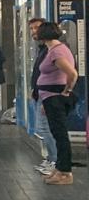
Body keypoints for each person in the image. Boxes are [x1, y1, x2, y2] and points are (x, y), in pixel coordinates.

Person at [35, 21, 79, 185]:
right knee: (57, 133)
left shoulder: (57, 51)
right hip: (50, 97)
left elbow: (72, 74)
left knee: (60, 135)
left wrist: (66, 92)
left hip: (55, 98)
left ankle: (65, 172)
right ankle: (60, 168)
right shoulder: (53, 50)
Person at [29, 18, 59, 175]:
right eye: (32, 29)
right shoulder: (43, 49)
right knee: (42, 129)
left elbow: (69, 73)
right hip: (40, 93)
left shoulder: (55, 50)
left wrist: (61, 93)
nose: (34, 32)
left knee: (46, 128)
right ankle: (50, 158)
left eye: (37, 28)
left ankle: (54, 161)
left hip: (48, 95)